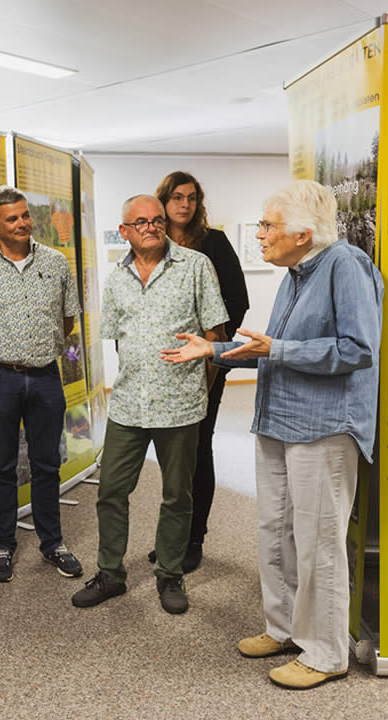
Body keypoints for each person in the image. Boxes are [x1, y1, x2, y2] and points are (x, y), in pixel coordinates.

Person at [160, 180, 382, 689]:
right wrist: (213, 351)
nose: (259, 234)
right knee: (276, 532)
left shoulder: (345, 265)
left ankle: (326, 653)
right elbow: (271, 344)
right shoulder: (296, 271)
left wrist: (273, 352)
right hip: (280, 421)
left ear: (303, 233)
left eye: (267, 225)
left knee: (317, 541)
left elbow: (357, 349)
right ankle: (284, 629)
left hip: (324, 427)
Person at [71, 194, 228, 615]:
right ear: (124, 231)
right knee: (111, 491)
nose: (151, 227)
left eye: (156, 220)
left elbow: (214, 334)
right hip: (127, 405)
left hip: (180, 406)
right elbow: (121, 340)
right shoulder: (117, 277)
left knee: (178, 496)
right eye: (139, 222)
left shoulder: (196, 266)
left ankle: (170, 574)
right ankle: (110, 574)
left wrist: (202, 390)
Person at [0, 186, 83, 583]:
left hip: (46, 375)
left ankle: (53, 543)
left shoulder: (55, 261)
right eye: (11, 218)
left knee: (47, 463)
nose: (22, 223)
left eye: (25, 215)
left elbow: (67, 321)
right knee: (1, 466)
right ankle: (3, 546)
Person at [150, 171, 249, 572]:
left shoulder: (215, 244)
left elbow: (237, 301)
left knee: (197, 447)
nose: (184, 205)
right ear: (164, 201)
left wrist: (212, 343)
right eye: (176, 197)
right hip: (164, 365)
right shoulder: (153, 243)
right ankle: (173, 536)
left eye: (191, 197)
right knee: (171, 453)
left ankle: (194, 539)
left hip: (206, 362)